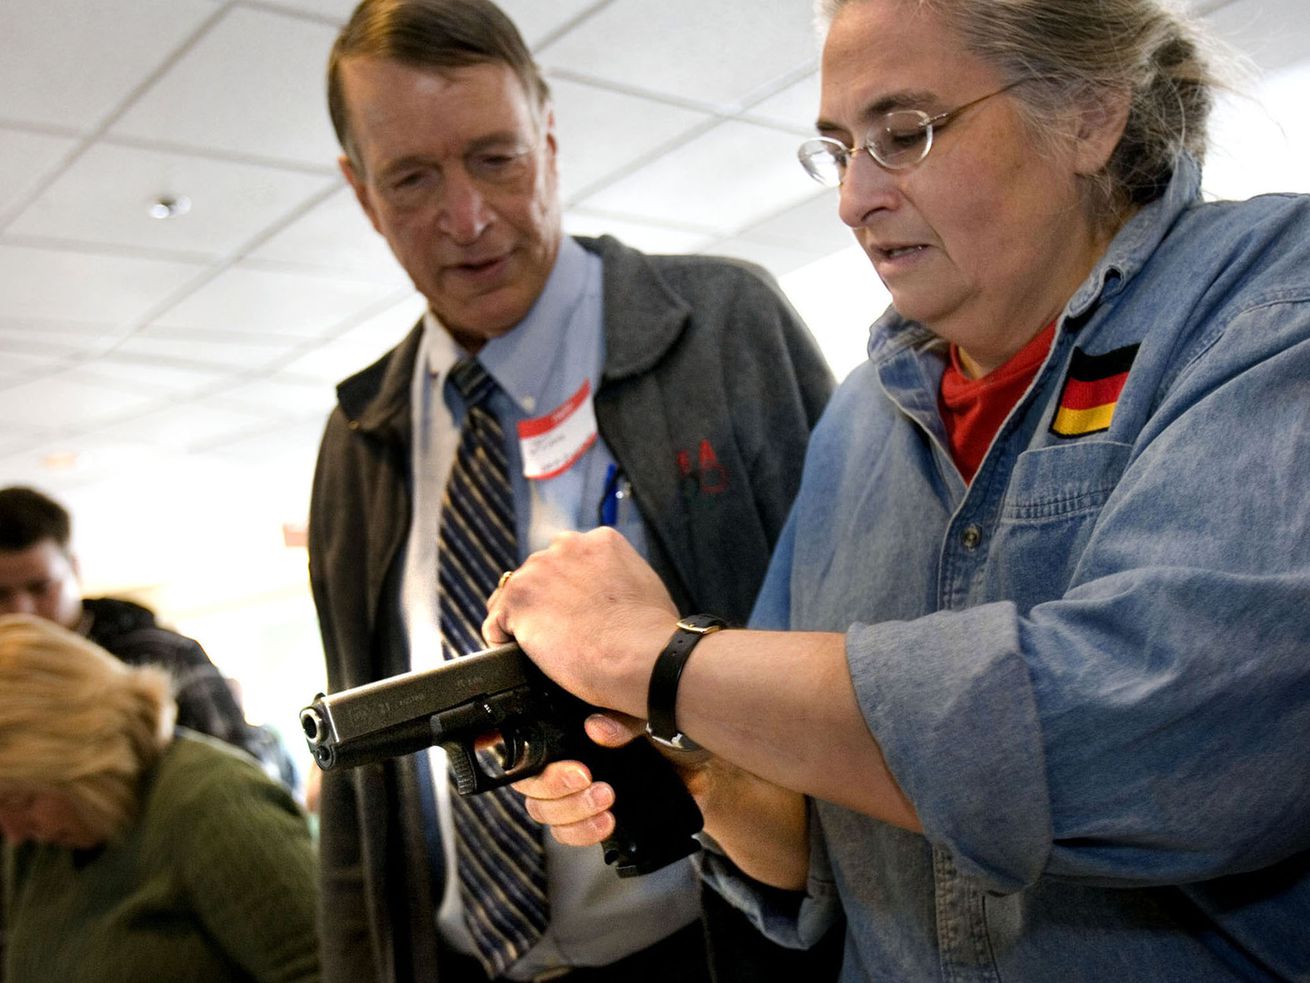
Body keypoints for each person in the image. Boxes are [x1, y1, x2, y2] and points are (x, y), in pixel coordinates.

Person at [488, 0, 1310, 979]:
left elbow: (1150, 742)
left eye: (903, 134)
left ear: (1088, 113)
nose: (851, 197)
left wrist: (657, 659)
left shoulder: (1262, 304)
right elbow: (803, 846)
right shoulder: (855, 424)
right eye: (838, 148)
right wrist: (678, 739)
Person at [307, 1, 836, 981]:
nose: (464, 218)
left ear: (548, 137)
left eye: (495, 158)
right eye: (412, 178)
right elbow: (361, 801)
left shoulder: (723, 329)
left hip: (716, 946)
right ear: (360, 192)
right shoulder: (358, 438)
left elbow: (851, 652)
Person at [0, 614, 320, 982]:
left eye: (22, 801)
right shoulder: (41, 847)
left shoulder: (213, 802)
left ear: (78, 756)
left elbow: (327, 968)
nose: (13, 832)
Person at [0, 486, 282, 774]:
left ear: (73, 569)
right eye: (1, 594)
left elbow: (244, 775)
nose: (22, 611)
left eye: (41, 588)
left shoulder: (164, 655)